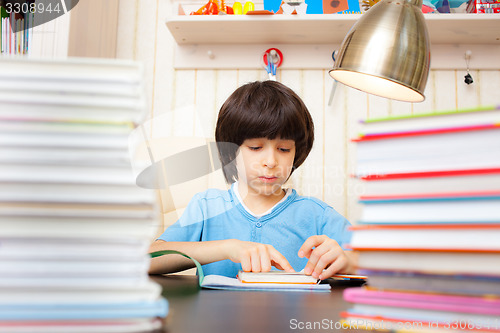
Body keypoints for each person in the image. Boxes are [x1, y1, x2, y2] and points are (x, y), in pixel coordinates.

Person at [148, 80, 357, 280]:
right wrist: (227, 248)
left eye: (284, 149)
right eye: (255, 148)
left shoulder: (316, 215)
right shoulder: (206, 207)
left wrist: (348, 260)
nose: (270, 161)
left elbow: (379, 261)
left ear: (297, 153)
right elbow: (149, 258)